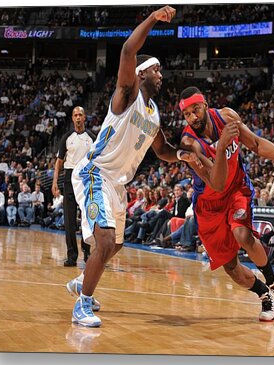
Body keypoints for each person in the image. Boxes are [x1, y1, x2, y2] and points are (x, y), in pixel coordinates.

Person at [65, 6, 201, 327]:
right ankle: (82, 304)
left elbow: (164, 150)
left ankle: (82, 282)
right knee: (106, 241)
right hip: (95, 173)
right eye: (157, 71)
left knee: (118, 244)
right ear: (141, 73)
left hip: (118, 183)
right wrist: (154, 18)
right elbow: (128, 49)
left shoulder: (153, 114)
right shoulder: (127, 94)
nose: (161, 75)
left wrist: (186, 156)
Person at [178, 85, 274, 322]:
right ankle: (264, 294)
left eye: (196, 110)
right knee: (231, 268)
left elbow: (255, 143)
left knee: (242, 234)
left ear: (205, 104)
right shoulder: (189, 144)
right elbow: (217, 182)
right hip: (210, 202)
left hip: (236, 190)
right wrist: (221, 146)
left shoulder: (228, 117)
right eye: (187, 114)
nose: (193, 117)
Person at [53, 106, 95, 267]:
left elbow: (98, 159)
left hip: (86, 178)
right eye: (75, 115)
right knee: (69, 220)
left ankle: (87, 252)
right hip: (69, 179)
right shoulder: (66, 138)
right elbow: (59, 162)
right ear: (72, 118)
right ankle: (71, 255)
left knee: (87, 217)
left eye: (80, 115)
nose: (78, 118)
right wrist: (55, 181)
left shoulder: (92, 137)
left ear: (85, 118)